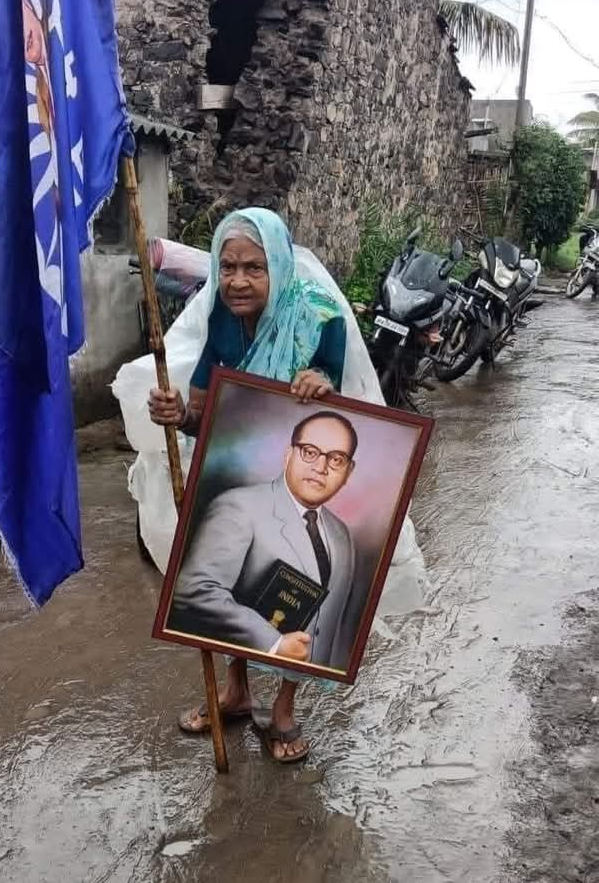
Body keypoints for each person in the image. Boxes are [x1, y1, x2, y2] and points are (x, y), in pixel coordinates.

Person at [112, 207, 427, 763]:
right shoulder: (219, 321)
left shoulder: (318, 318)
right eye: (227, 266)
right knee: (234, 583)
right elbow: (204, 418)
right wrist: (177, 413)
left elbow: (347, 410)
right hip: (244, 475)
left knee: (306, 587)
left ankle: (282, 709)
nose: (237, 280)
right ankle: (235, 692)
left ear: (277, 267)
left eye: (253, 268)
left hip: (307, 475)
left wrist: (322, 384)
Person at [168, 410, 369, 674]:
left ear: (348, 471)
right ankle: (237, 690)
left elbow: (330, 621)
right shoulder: (239, 506)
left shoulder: (341, 535)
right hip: (258, 648)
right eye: (309, 452)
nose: (321, 467)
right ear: (288, 455)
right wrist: (273, 643)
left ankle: (285, 703)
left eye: (336, 459)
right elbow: (195, 589)